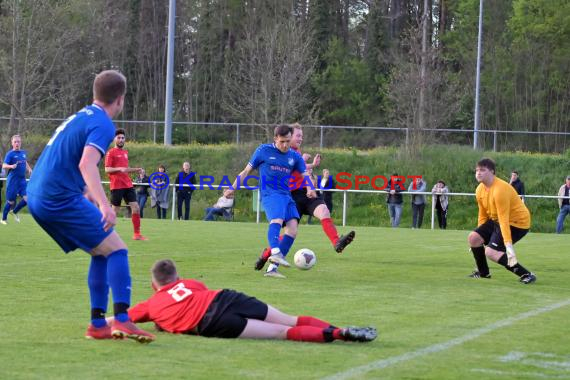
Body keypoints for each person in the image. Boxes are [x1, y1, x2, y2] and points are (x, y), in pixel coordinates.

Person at [26, 70, 154, 342]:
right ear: (120, 99)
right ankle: (122, 320)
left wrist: (93, 197)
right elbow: (87, 164)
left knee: (102, 251)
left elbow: (72, 165)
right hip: (56, 197)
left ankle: (98, 324)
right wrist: (105, 205)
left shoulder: (80, 116)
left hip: (39, 194)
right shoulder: (104, 124)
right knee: (118, 250)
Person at [127, 259, 377, 343]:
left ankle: (337, 335)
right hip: (226, 297)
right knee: (289, 319)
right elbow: (191, 297)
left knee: (281, 332)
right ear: (178, 277)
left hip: (212, 322)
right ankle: (337, 328)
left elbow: (117, 320)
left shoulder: (151, 305)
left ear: (153, 285)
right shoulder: (191, 283)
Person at [254, 124, 355, 278]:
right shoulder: (285, 152)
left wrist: (311, 171)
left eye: (301, 136)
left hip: (306, 193)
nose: (300, 138)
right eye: (298, 136)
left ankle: (336, 242)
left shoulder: (295, 153)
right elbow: (291, 165)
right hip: (291, 196)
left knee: (324, 211)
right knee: (288, 232)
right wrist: (308, 164)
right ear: (288, 137)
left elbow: (299, 168)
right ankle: (268, 256)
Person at [224, 124, 316, 279]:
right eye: (282, 141)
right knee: (277, 220)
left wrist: (310, 188)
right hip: (270, 194)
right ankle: (275, 252)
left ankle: (272, 269)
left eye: (288, 141)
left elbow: (305, 174)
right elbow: (246, 171)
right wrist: (232, 188)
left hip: (286, 195)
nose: (285, 145)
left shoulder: (294, 157)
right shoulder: (263, 150)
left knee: (292, 230)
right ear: (275, 139)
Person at [467, 158, 536, 284]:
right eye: (477, 170)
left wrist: (508, 245)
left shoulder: (500, 190)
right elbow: (482, 215)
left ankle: (527, 274)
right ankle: (483, 273)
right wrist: (479, 235)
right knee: (473, 238)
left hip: (518, 223)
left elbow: (504, 220)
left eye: (482, 170)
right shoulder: (479, 189)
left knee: (491, 252)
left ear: (492, 172)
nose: (478, 173)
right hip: (498, 220)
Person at [104, 128, 147, 240]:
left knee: (136, 207)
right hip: (117, 185)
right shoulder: (110, 153)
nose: (121, 140)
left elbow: (125, 169)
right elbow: (107, 169)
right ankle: (106, 234)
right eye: (119, 138)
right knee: (114, 211)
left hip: (127, 184)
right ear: (114, 139)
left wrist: (137, 170)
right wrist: (119, 169)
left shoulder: (125, 153)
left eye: (123, 138)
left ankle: (137, 234)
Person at [1, 135, 33, 224]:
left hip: (22, 181)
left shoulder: (23, 153)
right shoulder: (10, 154)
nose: (17, 143)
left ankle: (14, 211)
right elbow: (4, 165)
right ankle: (3, 219)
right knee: (10, 201)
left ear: (20, 143)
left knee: (28, 199)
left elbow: (24, 161)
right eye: (15, 142)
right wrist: (11, 166)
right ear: (12, 143)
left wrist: (29, 169)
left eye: (18, 141)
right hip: (13, 182)